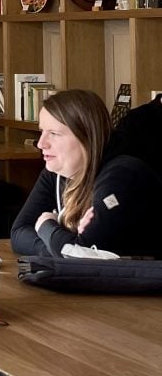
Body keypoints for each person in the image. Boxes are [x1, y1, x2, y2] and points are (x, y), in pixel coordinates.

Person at [11, 89, 162, 258]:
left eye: (54, 134)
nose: (41, 144)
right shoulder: (57, 171)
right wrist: (61, 243)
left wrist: (45, 225)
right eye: (41, 131)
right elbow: (18, 233)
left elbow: (81, 256)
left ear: (87, 137)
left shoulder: (122, 176)